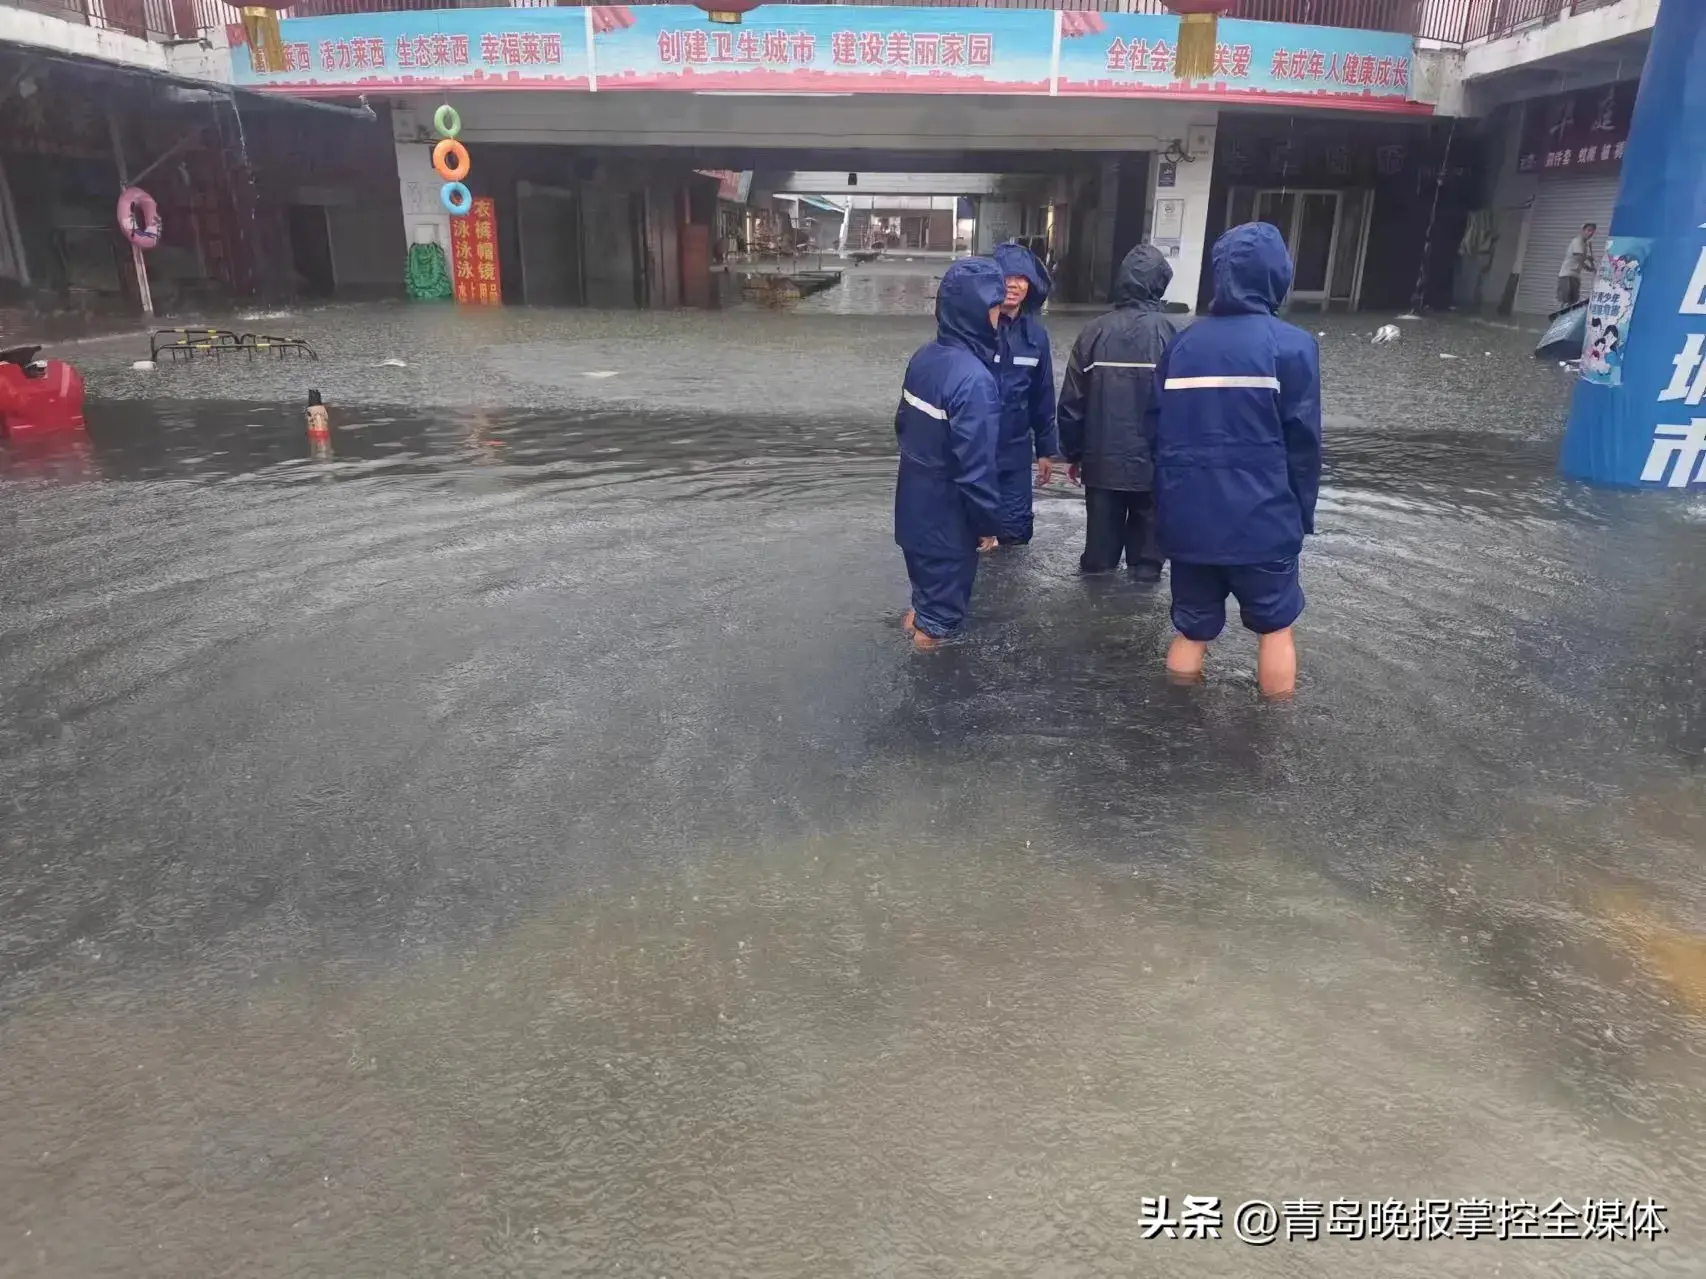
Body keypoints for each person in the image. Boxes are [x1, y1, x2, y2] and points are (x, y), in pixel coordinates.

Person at [1146, 222, 1322, 698]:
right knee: (1275, 629)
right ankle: (1273, 741)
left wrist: (1167, 509)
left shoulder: (1183, 344)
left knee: (1192, 631)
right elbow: (1303, 445)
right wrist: (1300, 515)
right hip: (1263, 522)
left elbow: (1155, 433)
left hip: (1189, 522)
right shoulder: (1293, 346)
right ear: (1275, 276)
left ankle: (1176, 723)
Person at [895, 256, 1006, 651]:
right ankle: (924, 700)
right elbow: (977, 470)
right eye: (995, 310)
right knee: (939, 623)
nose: (999, 318)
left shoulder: (925, 358)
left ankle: (911, 639)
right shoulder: (973, 379)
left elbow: (902, 427)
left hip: (913, 511)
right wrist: (987, 524)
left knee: (924, 602)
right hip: (946, 524)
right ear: (976, 313)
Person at [1056, 243, 1182, 581]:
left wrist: (1072, 453)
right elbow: (1187, 407)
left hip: (1101, 465)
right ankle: (1137, 628)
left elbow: (1071, 401)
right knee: (1146, 568)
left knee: (1097, 565)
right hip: (1155, 469)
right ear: (1161, 282)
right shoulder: (1173, 336)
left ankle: (1095, 624)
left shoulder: (1093, 332)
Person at [988, 241, 1059, 547]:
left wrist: (1046, 451)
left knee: (1015, 535)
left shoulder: (1036, 337)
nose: (1013, 285)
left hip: (1016, 452)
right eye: (1006, 277)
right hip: (973, 451)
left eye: (1021, 278)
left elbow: (1042, 395)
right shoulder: (976, 328)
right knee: (969, 534)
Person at [1557, 222, 1597, 310]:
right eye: (1589, 230)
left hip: (1575, 276)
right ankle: (1558, 319)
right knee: (1565, 300)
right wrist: (1589, 257)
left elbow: (1581, 261)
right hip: (1567, 274)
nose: (1590, 233)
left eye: (1592, 232)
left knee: (1573, 301)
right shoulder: (1577, 241)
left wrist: (1589, 268)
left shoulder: (1584, 244)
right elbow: (1579, 256)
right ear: (1583, 230)